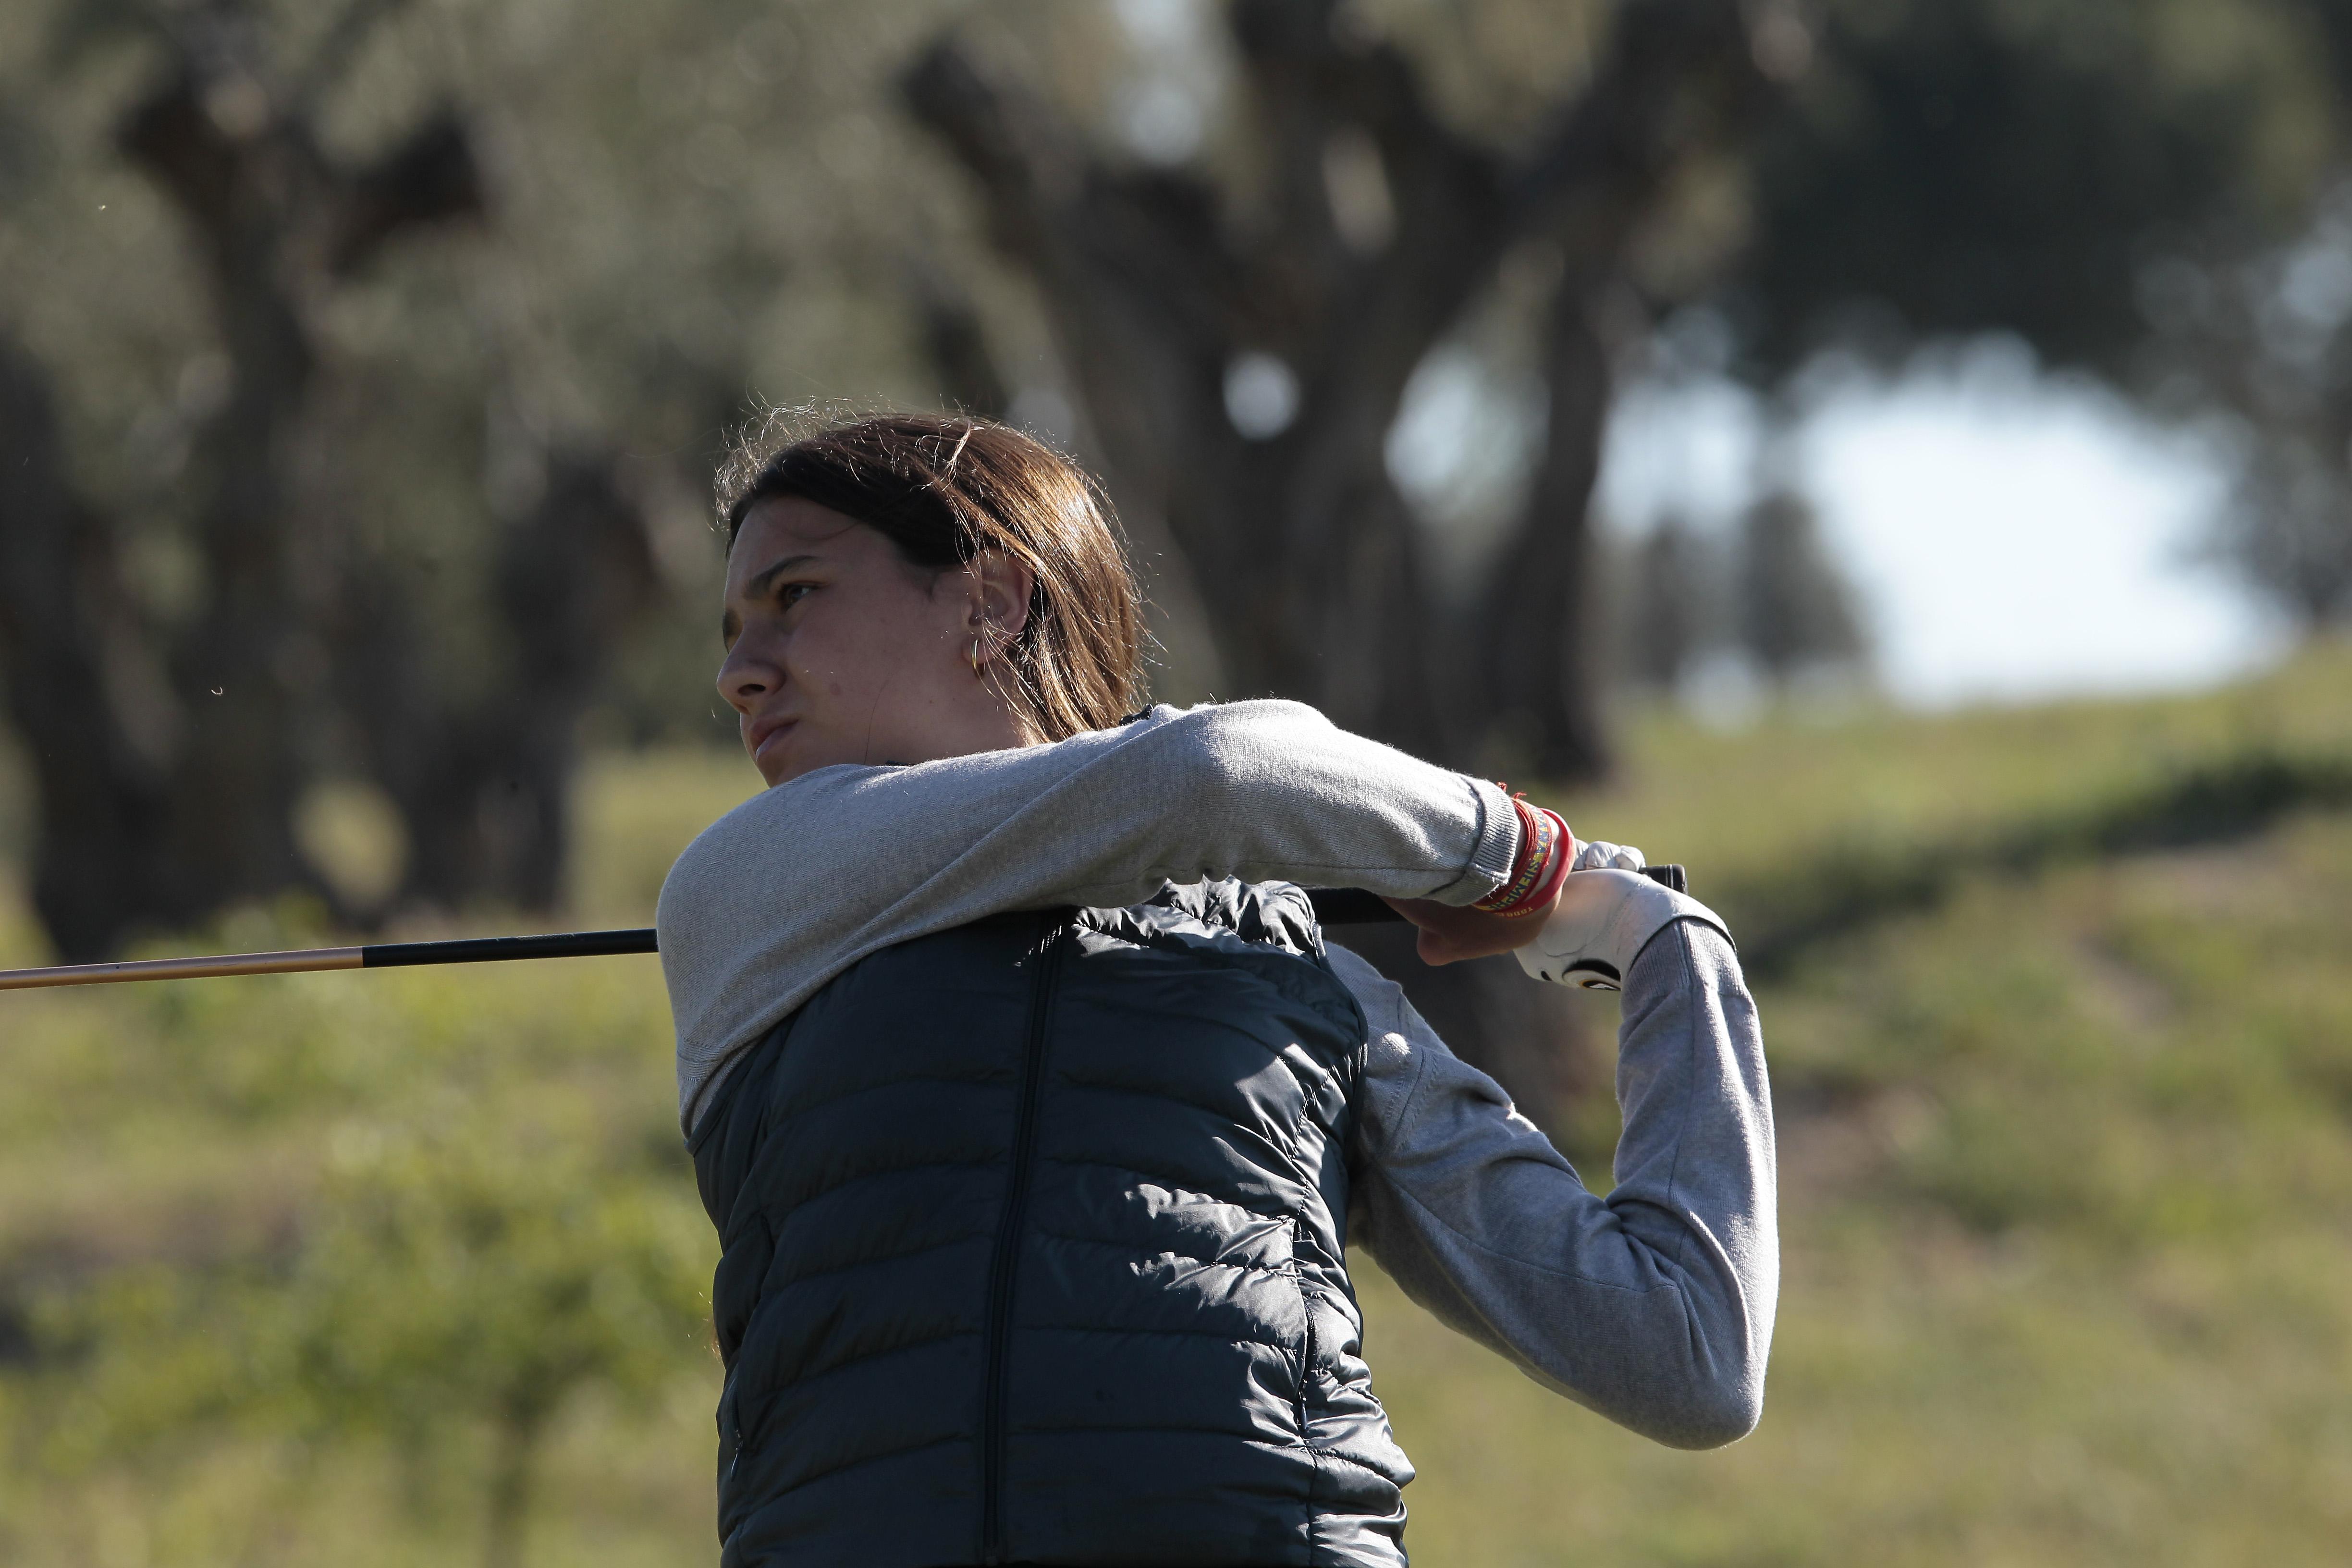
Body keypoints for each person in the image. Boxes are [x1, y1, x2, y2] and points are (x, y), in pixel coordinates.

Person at [657, 413, 1776, 1568]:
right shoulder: (748, 889)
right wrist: (1525, 858)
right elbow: (1214, 775)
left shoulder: (1310, 988)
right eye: (735, 629)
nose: (741, 674)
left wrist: (1669, 952)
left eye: (793, 596)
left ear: (991, 602)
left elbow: (1686, 1354)